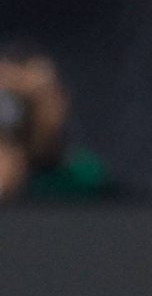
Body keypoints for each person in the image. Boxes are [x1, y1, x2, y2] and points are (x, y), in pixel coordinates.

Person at [0, 44, 113, 201]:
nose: (24, 115)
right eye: (11, 101)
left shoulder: (82, 174)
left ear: (61, 101)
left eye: (34, 101)